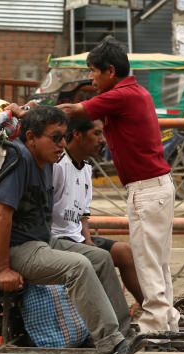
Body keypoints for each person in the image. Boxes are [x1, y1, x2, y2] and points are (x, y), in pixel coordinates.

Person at [0, 105, 131, 354]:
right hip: (12, 249)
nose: (61, 144)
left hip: (39, 242)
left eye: (64, 137)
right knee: (78, 267)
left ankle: (122, 335)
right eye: (55, 138)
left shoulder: (47, 160)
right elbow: (1, 215)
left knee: (101, 258)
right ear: (31, 138)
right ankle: (111, 343)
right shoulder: (18, 159)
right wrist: (2, 268)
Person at [57, 37, 177, 335]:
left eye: (93, 72)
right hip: (155, 187)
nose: (91, 78)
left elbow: (76, 112)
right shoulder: (134, 92)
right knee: (157, 262)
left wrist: (34, 113)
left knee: (148, 262)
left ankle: (155, 327)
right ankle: (166, 321)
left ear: (110, 71)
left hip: (147, 189)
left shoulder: (123, 94)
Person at [51, 116, 144, 307]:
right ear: (77, 134)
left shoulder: (86, 169)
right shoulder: (58, 165)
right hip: (57, 240)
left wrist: (88, 241)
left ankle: (151, 309)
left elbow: (83, 216)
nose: (102, 140)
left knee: (125, 252)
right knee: (101, 260)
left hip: (77, 238)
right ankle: (117, 322)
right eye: (96, 133)